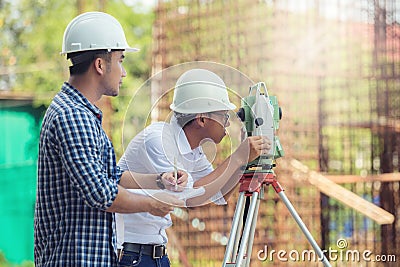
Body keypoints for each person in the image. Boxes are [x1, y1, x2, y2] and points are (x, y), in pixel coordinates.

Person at [34, 12, 187, 267]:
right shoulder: (73, 116)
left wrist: (159, 180)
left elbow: (109, 177)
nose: (124, 72)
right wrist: (152, 204)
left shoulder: (81, 113)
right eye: (120, 60)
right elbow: (100, 193)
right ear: (100, 65)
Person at [116, 68, 272, 267]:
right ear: (202, 119)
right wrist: (237, 157)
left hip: (154, 253)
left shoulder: (194, 150)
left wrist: (244, 161)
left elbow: (219, 193)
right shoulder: (157, 140)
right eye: (224, 116)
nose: (227, 124)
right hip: (130, 254)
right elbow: (187, 196)